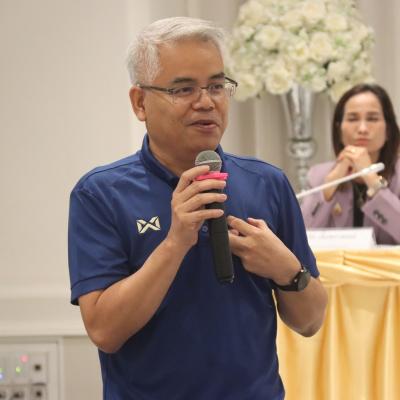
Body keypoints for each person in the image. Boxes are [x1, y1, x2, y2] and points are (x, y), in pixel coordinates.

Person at [68, 17, 327, 400]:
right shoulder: (101, 194)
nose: (206, 102)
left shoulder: (267, 182)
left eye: (217, 86)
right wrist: (175, 243)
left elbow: (311, 321)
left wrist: (286, 269)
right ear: (140, 102)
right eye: (183, 89)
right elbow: (105, 331)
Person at [301, 83, 400, 245]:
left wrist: (372, 179)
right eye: (353, 119)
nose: (362, 129)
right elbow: (301, 239)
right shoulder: (319, 175)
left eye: (372, 119)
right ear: (339, 129)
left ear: (388, 130)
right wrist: (329, 187)